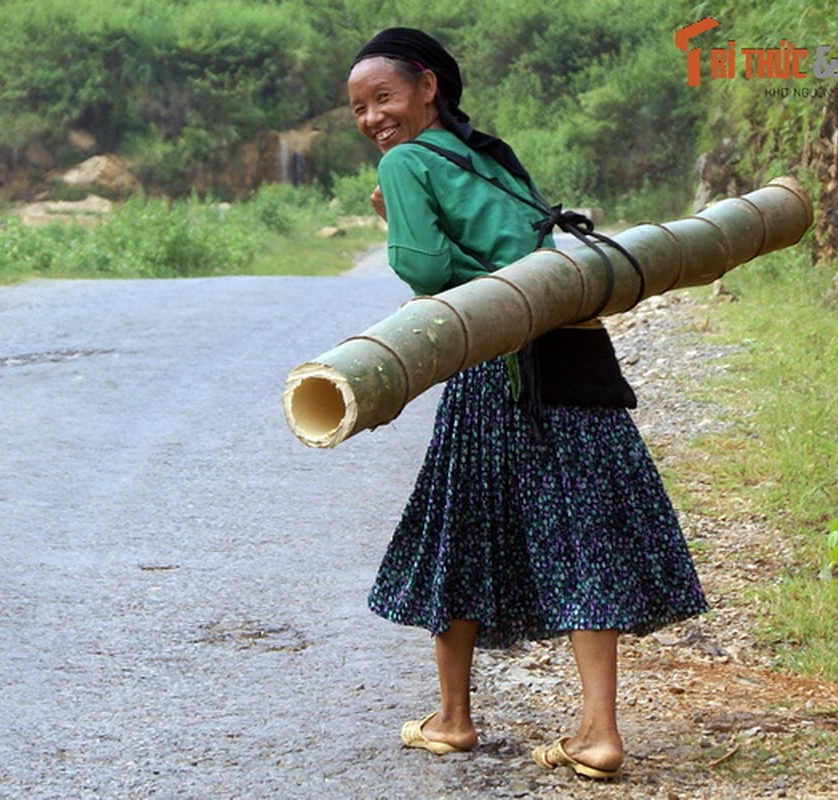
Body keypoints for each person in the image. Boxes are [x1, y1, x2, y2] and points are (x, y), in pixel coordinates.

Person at [347, 28, 709, 780]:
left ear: (426, 87)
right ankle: (599, 732)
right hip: (574, 349)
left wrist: (396, 217)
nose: (373, 118)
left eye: (384, 97)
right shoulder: (490, 156)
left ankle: (453, 718)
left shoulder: (409, 160)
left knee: (461, 528)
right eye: (358, 109)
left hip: (499, 362)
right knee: (584, 531)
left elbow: (422, 268)